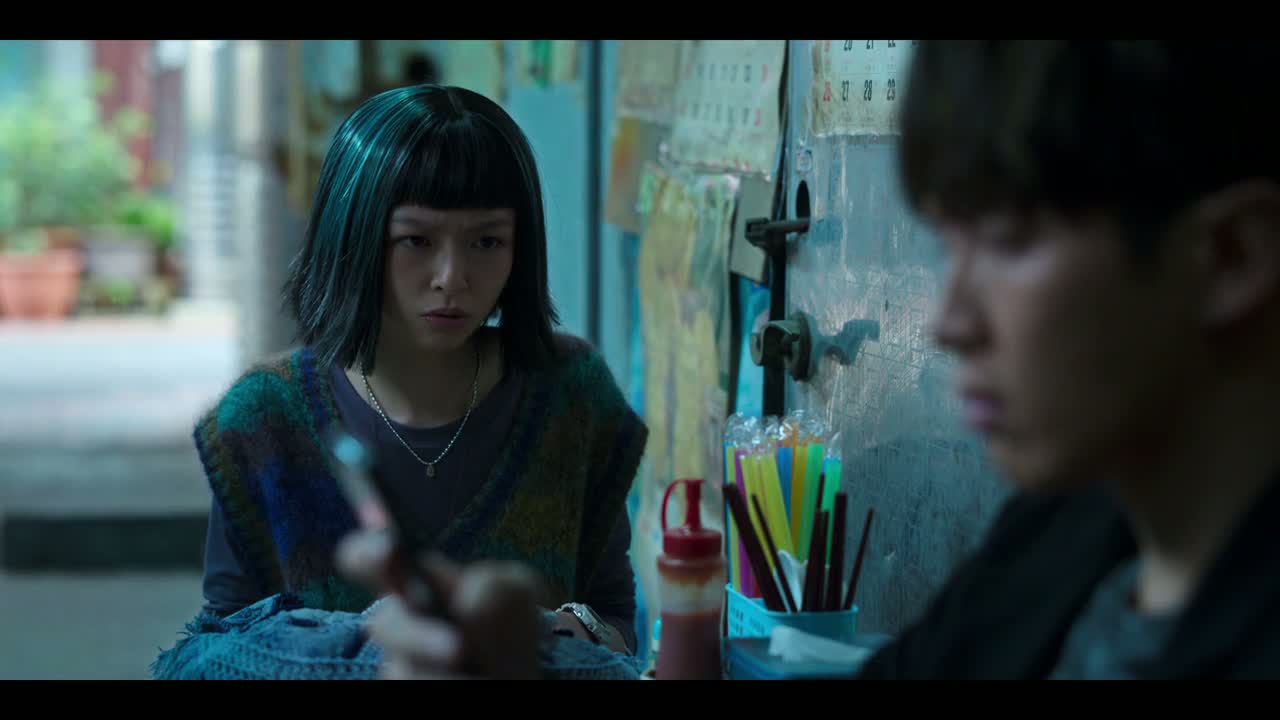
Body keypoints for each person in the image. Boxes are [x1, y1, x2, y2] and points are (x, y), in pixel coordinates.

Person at [341, 41, 1280, 679]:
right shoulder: (1065, 543)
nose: (949, 320)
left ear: (1231, 257)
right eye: (946, 245)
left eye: (1009, 241)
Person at [155, 84, 647, 679]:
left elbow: (616, 623)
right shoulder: (265, 417)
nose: (451, 277)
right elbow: (209, 655)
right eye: (415, 240)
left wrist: (553, 635)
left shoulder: (572, 397)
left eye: (486, 241)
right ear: (354, 236)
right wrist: (367, 645)